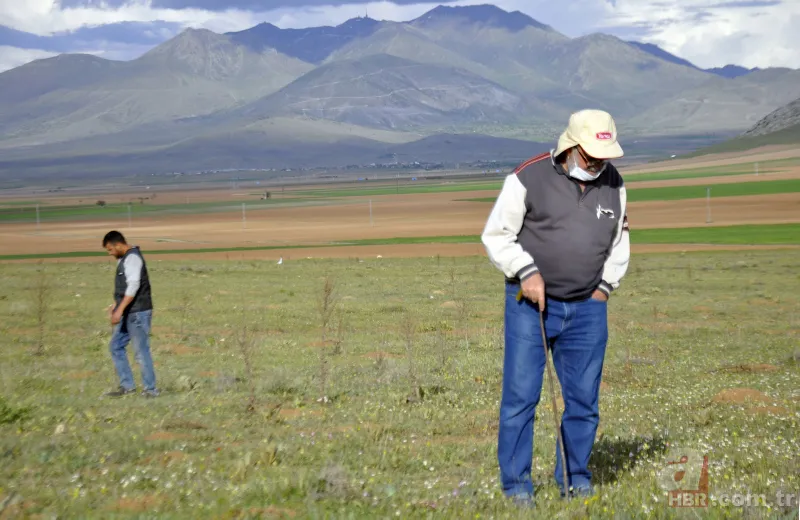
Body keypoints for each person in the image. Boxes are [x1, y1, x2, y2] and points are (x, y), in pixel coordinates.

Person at [480, 109, 630, 504]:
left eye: (605, 156)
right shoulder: (527, 176)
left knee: (584, 402)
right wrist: (526, 271)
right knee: (521, 397)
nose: (600, 163)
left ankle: (574, 479)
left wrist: (603, 290)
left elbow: (619, 244)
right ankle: (517, 488)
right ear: (571, 146)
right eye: (592, 155)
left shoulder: (615, 184)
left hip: (588, 309)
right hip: (531, 306)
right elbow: (497, 236)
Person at [102, 231, 159, 398]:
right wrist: (115, 305)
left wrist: (119, 310)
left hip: (138, 312)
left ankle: (150, 390)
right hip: (128, 311)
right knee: (115, 346)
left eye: (110, 249)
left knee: (141, 351)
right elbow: (125, 288)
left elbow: (133, 286)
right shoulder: (123, 259)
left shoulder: (132, 258)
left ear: (118, 245)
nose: (110, 253)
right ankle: (127, 387)